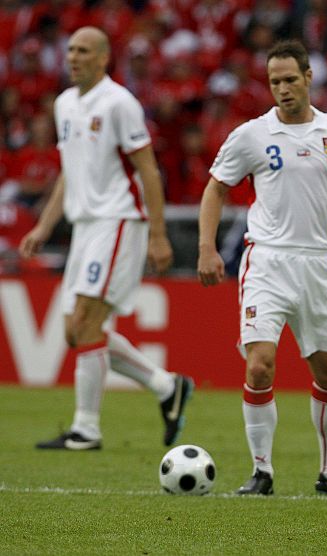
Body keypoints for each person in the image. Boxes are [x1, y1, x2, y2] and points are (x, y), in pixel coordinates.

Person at [197, 39, 327, 497]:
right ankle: (261, 472)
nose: (282, 89)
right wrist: (207, 249)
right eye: (274, 82)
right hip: (266, 261)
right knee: (261, 365)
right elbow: (215, 189)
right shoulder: (251, 135)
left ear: (309, 78)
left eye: (290, 79)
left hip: (315, 266)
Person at [18, 27, 193, 451]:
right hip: (84, 226)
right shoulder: (64, 105)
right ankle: (166, 385)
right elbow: (70, 171)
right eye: (71, 50)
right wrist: (44, 225)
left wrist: (158, 233)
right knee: (76, 333)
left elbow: (148, 170)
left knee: (86, 324)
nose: (73, 57)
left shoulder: (119, 104)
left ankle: (86, 429)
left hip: (117, 221)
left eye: (83, 51)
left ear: (102, 59)